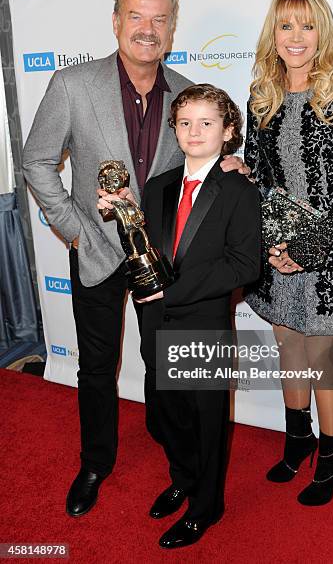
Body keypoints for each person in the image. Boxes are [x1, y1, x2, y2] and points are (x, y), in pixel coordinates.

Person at [22, 0, 247, 518]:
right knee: (96, 365)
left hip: (164, 263)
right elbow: (37, 160)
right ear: (116, 20)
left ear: (171, 28)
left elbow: (198, 165)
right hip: (96, 250)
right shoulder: (73, 85)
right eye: (136, 17)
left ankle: (175, 457)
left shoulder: (187, 93)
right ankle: (96, 461)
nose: (147, 29)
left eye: (159, 19)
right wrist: (73, 228)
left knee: (163, 362)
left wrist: (227, 165)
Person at [100, 83, 260, 548]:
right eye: (185, 122)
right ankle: (184, 479)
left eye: (207, 123)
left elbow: (244, 264)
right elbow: (147, 249)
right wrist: (122, 212)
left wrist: (169, 293)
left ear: (228, 132)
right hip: (155, 325)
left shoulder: (238, 190)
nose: (194, 131)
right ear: (174, 128)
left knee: (207, 420)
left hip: (203, 325)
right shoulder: (157, 186)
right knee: (169, 414)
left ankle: (207, 505)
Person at [244, 0, 333, 506]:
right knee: (290, 354)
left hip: (331, 254)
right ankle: (297, 439)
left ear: (322, 31)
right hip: (276, 252)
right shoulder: (262, 97)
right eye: (286, 25)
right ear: (273, 35)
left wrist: (309, 246)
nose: (296, 37)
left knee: (323, 362)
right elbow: (258, 181)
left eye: (307, 25)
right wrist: (274, 245)